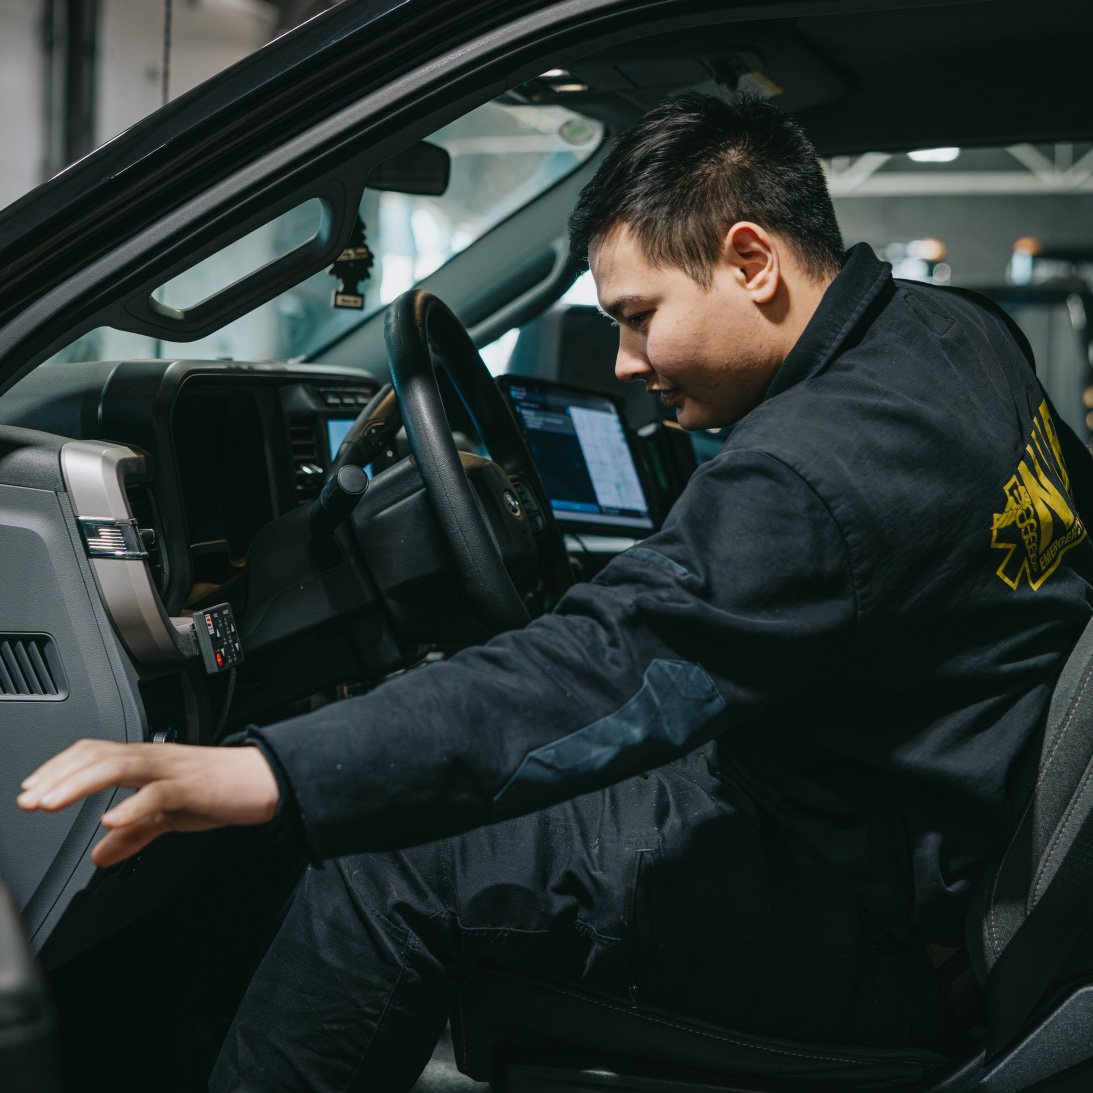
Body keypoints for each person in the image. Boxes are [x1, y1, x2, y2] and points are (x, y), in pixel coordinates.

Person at [18, 94, 1093, 1091]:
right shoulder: (950, 336)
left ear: (752, 260)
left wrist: (272, 769)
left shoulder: (812, 471)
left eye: (638, 315)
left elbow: (607, 661)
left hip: (873, 915)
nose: (625, 362)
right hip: (929, 840)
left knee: (388, 868)